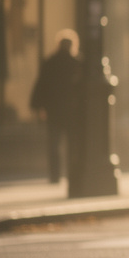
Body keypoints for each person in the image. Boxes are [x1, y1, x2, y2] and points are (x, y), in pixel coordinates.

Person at [30, 30, 81, 183]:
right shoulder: (76, 63)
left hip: (54, 110)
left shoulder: (50, 62)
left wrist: (38, 106)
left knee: (54, 145)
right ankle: (72, 173)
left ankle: (55, 176)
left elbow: (41, 85)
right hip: (71, 111)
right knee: (72, 144)